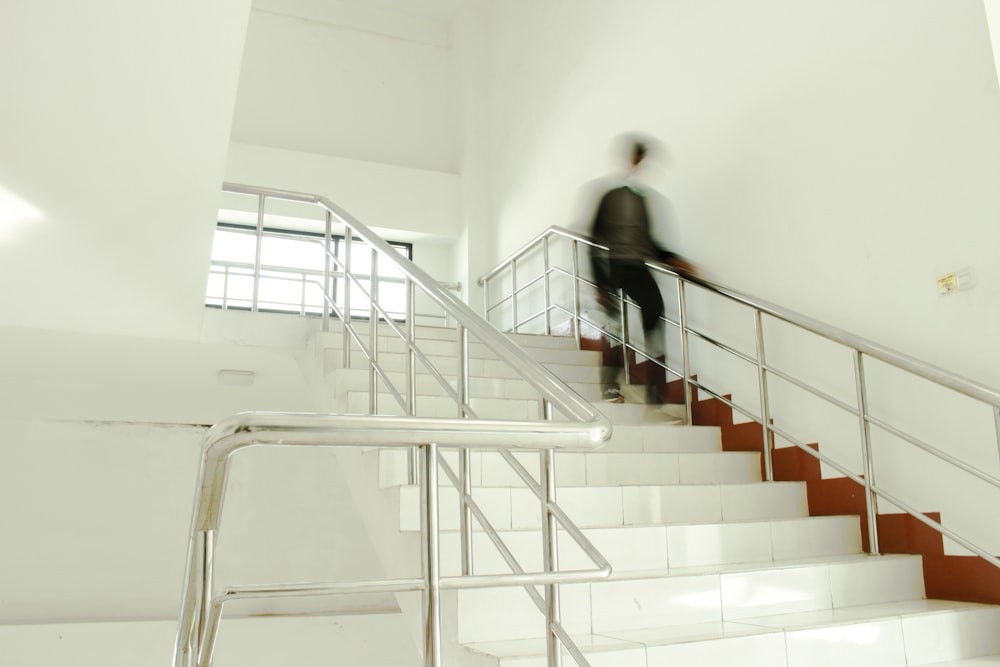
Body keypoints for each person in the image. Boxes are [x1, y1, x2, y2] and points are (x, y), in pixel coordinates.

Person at [589, 138, 695, 405]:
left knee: (655, 316)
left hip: (637, 267)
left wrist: (675, 260)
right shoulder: (609, 197)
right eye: (636, 159)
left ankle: (656, 399)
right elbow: (593, 242)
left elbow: (649, 243)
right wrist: (599, 285)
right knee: (614, 326)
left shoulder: (642, 199)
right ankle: (610, 389)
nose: (639, 165)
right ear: (628, 160)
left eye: (642, 161)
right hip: (614, 268)